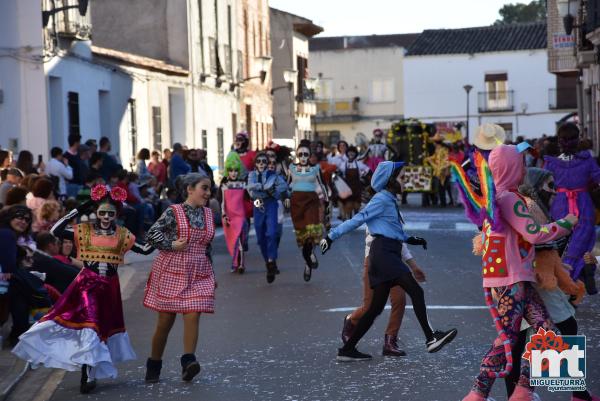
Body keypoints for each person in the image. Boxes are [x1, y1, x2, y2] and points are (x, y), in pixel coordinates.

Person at [460, 145, 577, 401]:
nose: (524, 168)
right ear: (511, 168)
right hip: (510, 281)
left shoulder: (501, 197)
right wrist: (566, 223)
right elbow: (535, 233)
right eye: (520, 163)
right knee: (508, 338)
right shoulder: (510, 199)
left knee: (545, 333)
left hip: (513, 278)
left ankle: (523, 390)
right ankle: (479, 394)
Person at [13, 185, 154, 394]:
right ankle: (86, 375)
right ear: (96, 212)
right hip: (88, 284)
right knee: (91, 326)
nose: (106, 217)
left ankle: (91, 372)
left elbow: (145, 249)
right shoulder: (84, 230)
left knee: (101, 329)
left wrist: (161, 233)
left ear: (116, 215)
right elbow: (56, 231)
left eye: (111, 213)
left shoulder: (122, 234)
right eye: (102, 212)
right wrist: (79, 209)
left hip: (110, 287)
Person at [320, 161, 457, 361]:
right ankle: (431, 338)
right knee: (416, 291)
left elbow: (395, 232)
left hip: (387, 252)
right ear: (389, 180)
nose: (401, 178)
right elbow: (358, 219)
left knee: (374, 309)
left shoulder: (389, 200)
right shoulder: (382, 199)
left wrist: (413, 240)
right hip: (384, 254)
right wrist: (330, 237)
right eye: (398, 175)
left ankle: (347, 349)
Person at [143, 173, 215, 383]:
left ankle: (188, 361)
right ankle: (154, 363)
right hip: (172, 269)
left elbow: (207, 247)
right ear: (189, 189)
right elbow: (152, 234)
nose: (208, 193)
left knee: (193, 312)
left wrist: (212, 273)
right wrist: (172, 244)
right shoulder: (173, 212)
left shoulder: (209, 214)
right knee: (165, 321)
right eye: (204, 188)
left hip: (199, 271)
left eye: (209, 189)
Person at [341, 228, 426, 357]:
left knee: (399, 300)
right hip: (375, 260)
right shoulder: (376, 210)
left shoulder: (396, 213)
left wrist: (413, 266)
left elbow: (400, 242)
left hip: (394, 261)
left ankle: (390, 341)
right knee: (370, 306)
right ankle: (351, 320)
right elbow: (374, 240)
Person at [544, 122, 600, 295]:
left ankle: (565, 280)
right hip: (583, 203)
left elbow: (545, 185)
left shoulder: (551, 163)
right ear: (578, 140)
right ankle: (581, 271)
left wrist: (558, 187)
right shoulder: (587, 161)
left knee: (561, 244)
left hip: (560, 205)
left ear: (560, 141)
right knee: (581, 242)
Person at [287, 144, 328, 281]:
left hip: (311, 202)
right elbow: (287, 186)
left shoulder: (315, 169)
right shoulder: (291, 168)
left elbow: (321, 185)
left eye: (306, 154)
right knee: (303, 236)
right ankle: (308, 262)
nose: (303, 157)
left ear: (310, 156)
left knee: (312, 232)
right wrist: (286, 198)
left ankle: (308, 260)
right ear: (297, 156)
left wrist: (326, 202)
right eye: (300, 154)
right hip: (296, 204)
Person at [247, 152, 288, 283]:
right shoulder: (252, 175)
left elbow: (283, 186)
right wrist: (263, 187)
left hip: (270, 202)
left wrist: (273, 192)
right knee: (260, 237)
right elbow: (250, 187)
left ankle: (271, 260)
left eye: (264, 161)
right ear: (255, 163)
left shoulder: (273, 175)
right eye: (258, 161)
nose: (261, 164)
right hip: (258, 203)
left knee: (272, 232)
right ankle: (268, 261)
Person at [0, 205, 34, 345]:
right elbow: (8, 265)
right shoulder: (7, 234)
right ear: (10, 218)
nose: (23, 222)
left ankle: (19, 333)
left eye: (27, 220)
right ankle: (19, 333)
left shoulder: (11, 235)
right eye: (19, 217)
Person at [219, 153, 249, 273]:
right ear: (227, 171)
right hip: (229, 217)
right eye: (231, 170)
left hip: (240, 216)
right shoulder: (224, 185)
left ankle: (241, 264)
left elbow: (250, 199)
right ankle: (235, 263)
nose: (233, 173)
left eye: (236, 170)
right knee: (232, 241)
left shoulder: (243, 185)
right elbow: (222, 203)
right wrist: (224, 215)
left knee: (240, 240)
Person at [336, 146, 369, 220]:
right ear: (347, 154)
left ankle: (356, 217)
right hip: (347, 187)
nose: (351, 153)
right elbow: (338, 172)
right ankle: (348, 219)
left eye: (353, 152)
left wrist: (363, 176)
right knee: (348, 204)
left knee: (357, 205)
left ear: (355, 154)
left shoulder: (358, 163)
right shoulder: (343, 164)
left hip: (357, 186)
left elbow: (367, 169)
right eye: (349, 152)